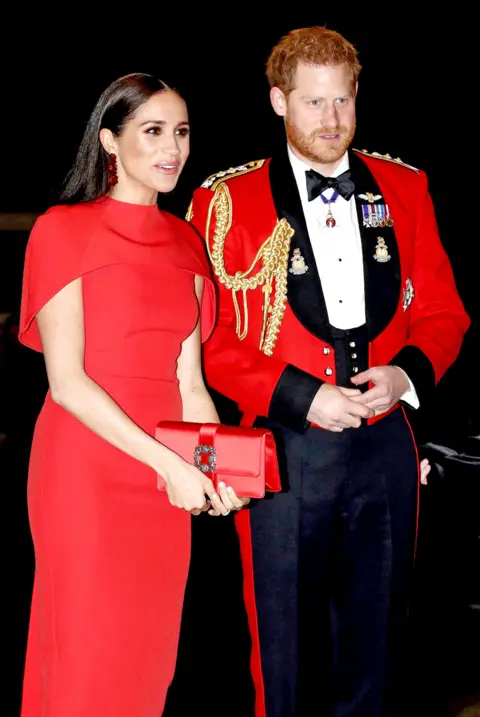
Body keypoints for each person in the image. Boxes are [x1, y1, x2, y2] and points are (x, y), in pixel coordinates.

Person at [187, 27, 470, 717]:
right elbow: (208, 340)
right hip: (284, 446)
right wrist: (301, 395)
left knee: (377, 639)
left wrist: (403, 376)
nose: (332, 120)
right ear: (279, 100)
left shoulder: (405, 186)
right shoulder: (225, 202)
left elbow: (444, 313)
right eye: (313, 103)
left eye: (342, 101)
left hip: (384, 448)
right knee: (281, 648)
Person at [17, 72, 247, 717]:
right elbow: (66, 383)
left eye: (180, 132)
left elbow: (191, 384)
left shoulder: (186, 243)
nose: (172, 148)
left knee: (150, 655)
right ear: (110, 141)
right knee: (89, 649)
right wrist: (171, 466)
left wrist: (212, 469)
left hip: (166, 473)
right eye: (152, 131)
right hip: (86, 467)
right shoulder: (62, 230)